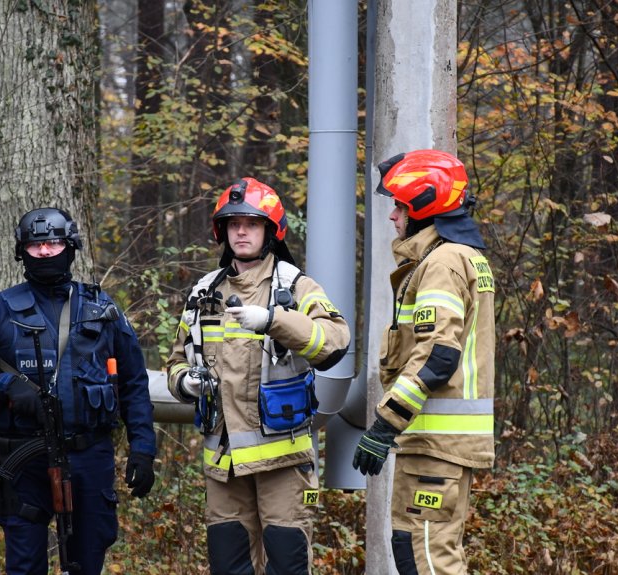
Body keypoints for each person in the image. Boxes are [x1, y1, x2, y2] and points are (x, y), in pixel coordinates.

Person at [0, 207, 157, 575]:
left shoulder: (102, 308)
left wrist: (142, 448)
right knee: (25, 564)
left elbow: (134, 384)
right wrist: (6, 386)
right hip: (23, 463)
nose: (45, 252)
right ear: (22, 252)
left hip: (89, 456)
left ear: (70, 246)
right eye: (35, 245)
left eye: (53, 243)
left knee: (86, 559)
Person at [166, 178, 350, 575]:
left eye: (251, 223)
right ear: (223, 231)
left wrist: (274, 320)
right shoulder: (203, 292)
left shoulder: (295, 286)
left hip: (282, 461)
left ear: (270, 231)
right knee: (228, 566)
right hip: (224, 463)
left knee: (286, 565)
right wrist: (186, 383)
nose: (242, 231)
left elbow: (334, 343)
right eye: (234, 224)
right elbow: (176, 362)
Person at [352, 150, 495, 574]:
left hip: (437, 442)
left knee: (427, 558)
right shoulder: (461, 257)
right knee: (423, 551)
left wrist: (384, 424)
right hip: (440, 444)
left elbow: (438, 355)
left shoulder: (442, 263)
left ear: (423, 207)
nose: (393, 216)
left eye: (400, 205)